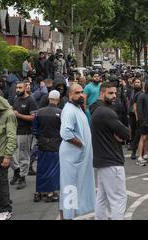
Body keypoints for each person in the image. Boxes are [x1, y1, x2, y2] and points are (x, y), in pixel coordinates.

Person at [90, 82, 130, 220]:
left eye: (115, 93)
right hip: (112, 161)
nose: (114, 96)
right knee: (118, 199)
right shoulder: (106, 112)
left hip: (102, 161)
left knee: (102, 197)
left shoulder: (97, 110)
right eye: (110, 93)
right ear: (102, 93)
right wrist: (120, 135)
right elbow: (126, 133)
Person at [59, 84, 95, 220]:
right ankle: (67, 217)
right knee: (70, 188)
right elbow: (65, 133)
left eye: (82, 92)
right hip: (72, 156)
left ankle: (65, 217)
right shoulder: (69, 110)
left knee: (70, 188)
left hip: (77, 156)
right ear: (70, 95)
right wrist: (80, 144)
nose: (80, 95)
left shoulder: (78, 108)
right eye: (76, 92)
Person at [32, 90, 62, 203]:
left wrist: (40, 138)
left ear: (49, 98)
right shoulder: (60, 112)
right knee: (53, 169)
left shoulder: (39, 112)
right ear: (58, 100)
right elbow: (63, 130)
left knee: (41, 168)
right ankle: (50, 193)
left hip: (42, 143)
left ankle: (39, 192)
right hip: (55, 144)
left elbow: (34, 128)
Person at [10, 82, 37, 190]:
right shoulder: (16, 99)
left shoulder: (31, 100)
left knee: (23, 155)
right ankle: (17, 171)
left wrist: (19, 115)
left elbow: (34, 117)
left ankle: (22, 177)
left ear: (25, 88)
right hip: (14, 130)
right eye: (17, 87)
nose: (17, 89)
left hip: (25, 132)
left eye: (20, 87)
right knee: (10, 153)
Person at [0, 94, 17, 220]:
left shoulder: (9, 115)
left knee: (1, 182)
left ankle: (5, 210)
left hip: (1, 154)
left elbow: (11, 137)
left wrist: (8, 156)